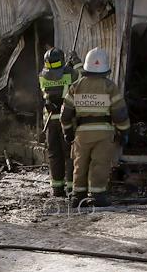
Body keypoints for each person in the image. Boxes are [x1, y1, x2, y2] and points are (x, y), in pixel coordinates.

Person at [60, 47, 131, 208]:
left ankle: (78, 196)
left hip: (81, 134)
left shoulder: (76, 86)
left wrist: (68, 132)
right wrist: (124, 132)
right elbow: (120, 113)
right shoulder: (110, 87)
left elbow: (65, 114)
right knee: (100, 164)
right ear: (105, 69)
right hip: (104, 134)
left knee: (80, 164)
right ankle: (98, 196)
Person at [39, 47, 76, 197]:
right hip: (66, 120)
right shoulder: (70, 73)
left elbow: (55, 78)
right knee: (69, 154)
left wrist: (66, 68)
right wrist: (75, 64)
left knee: (54, 155)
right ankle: (71, 188)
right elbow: (81, 77)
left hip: (50, 121)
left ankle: (57, 188)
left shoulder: (42, 76)